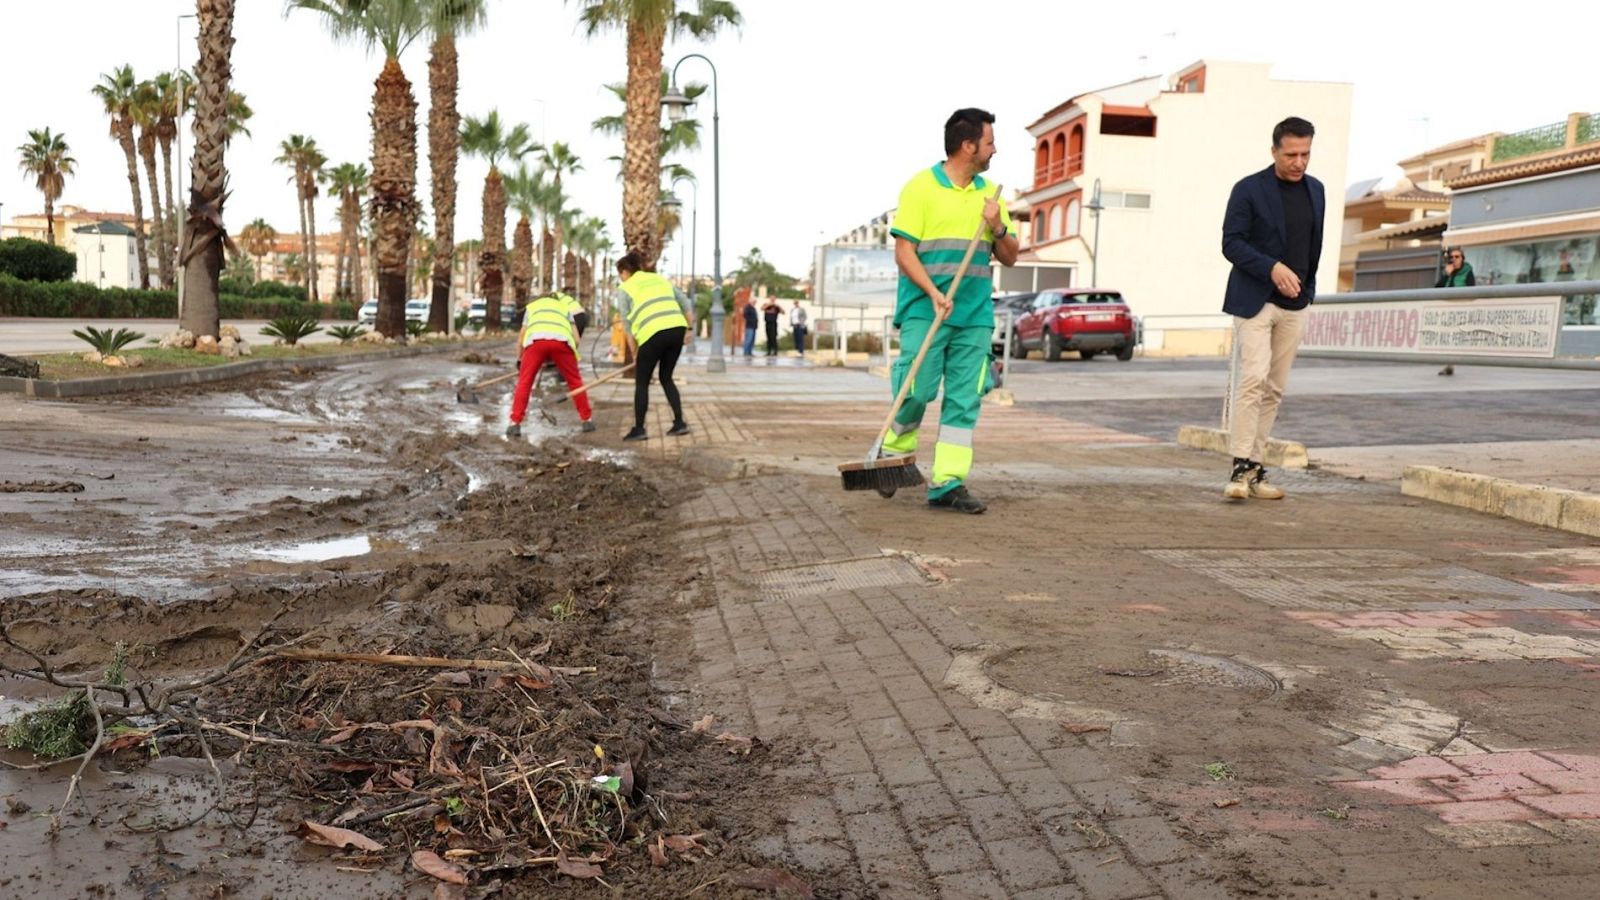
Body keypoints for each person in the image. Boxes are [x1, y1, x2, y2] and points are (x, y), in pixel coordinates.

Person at [882, 107, 1017, 514]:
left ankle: (948, 482)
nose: (995, 149)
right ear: (968, 145)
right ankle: (893, 453)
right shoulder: (920, 189)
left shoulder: (990, 195)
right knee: (918, 388)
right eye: (990, 142)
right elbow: (904, 252)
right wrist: (933, 293)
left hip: (973, 316)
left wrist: (997, 227)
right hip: (926, 310)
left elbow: (1010, 256)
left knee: (964, 398)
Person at [1220, 116, 1325, 501]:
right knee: (1253, 380)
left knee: (1274, 389)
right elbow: (1231, 243)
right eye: (1291, 154)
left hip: (1295, 305)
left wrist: (1307, 289)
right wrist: (1272, 268)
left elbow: (1314, 246)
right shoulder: (1248, 189)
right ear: (1274, 151)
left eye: (1306, 154)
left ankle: (1257, 471)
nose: (1299, 162)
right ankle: (1238, 468)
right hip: (1255, 300)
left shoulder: (1317, 190)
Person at [613, 253, 693, 441]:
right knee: (666, 377)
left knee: (642, 381)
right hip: (676, 330)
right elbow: (686, 303)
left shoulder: (626, 288)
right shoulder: (660, 280)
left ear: (625, 272)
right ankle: (679, 423)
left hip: (653, 333)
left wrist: (635, 353)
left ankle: (639, 429)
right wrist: (689, 329)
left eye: (620, 274)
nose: (621, 278)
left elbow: (628, 326)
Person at [506, 291, 593, 437]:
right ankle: (587, 420)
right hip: (562, 342)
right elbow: (576, 340)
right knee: (575, 381)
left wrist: (520, 360)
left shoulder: (532, 307)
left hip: (535, 343)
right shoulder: (565, 308)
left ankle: (515, 423)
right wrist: (563, 357)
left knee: (524, 382)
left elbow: (522, 337)